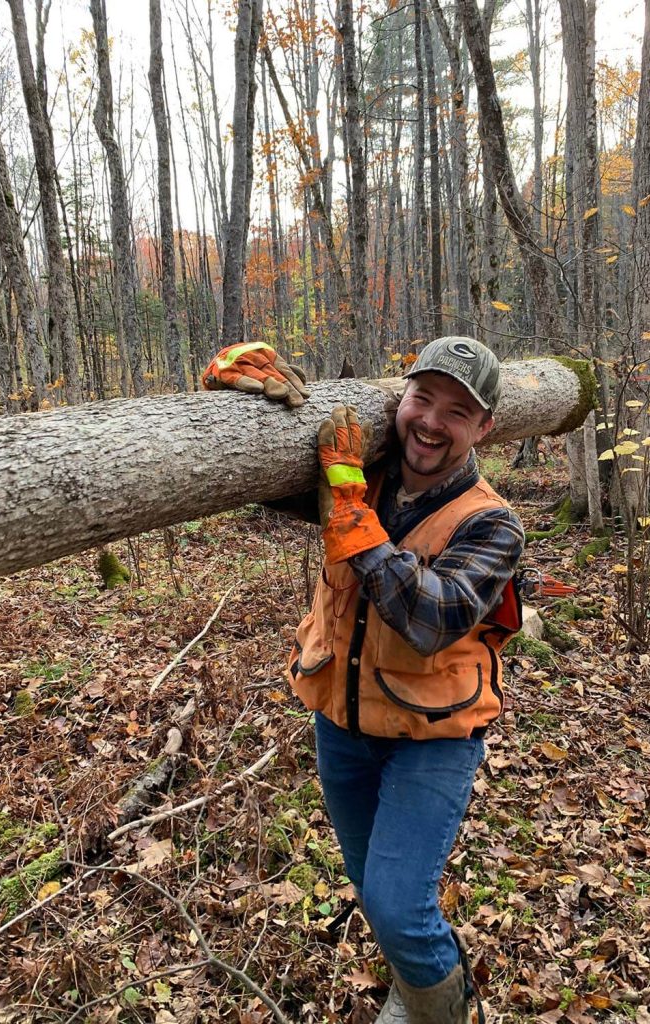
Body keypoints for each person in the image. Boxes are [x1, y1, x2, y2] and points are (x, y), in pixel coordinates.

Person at [203, 336, 525, 1024]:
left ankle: (442, 1008)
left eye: (458, 411)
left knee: (396, 904)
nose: (433, 422)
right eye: (423, 399)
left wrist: (349, 503)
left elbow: (427, 617)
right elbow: (260, 483)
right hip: (341, 725)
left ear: (484, 427)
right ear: (400, 399)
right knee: (370, 883)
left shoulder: (492, 522)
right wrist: (227, 387)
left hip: (432, 737)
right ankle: (414, 988)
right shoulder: (357, 468)